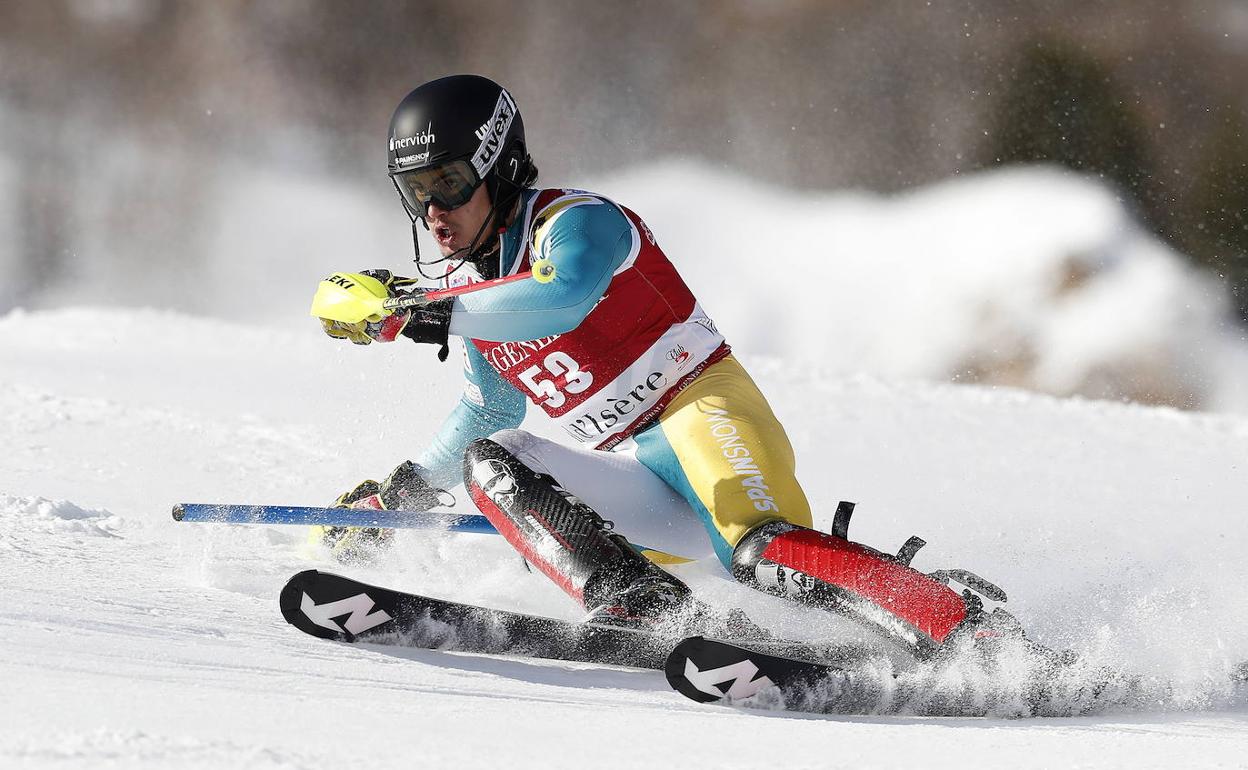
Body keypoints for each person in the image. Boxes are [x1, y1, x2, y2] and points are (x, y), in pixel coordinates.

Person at [316, 74, 986, 655]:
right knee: (493, 459)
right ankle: (641, 603)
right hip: (641, 475)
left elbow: (563, 297)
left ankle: (968, 629)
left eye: (452, 184)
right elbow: (491, 407)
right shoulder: (480, 301)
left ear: (501, 166)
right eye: (416, 192)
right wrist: (398, 494)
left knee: (757, 553)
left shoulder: (578, 223)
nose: (435, 212)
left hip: (703, 415)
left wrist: (426, 311)